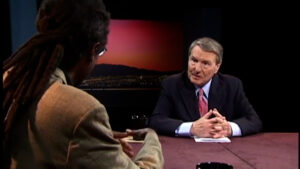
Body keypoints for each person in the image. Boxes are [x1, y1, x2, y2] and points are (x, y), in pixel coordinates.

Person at [3, 0, 164, 168]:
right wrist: (152, 139)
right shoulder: (82, 111)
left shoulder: (10, 82)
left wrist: (99, 141)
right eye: (100, 52)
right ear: (92, 51)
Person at [149, 37, 262, 138]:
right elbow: (156, 121)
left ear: (217, 67)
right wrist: (191, 128)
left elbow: (254, 120)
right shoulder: (172, 84)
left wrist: (229, 128)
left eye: (205, 63)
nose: (197, 69)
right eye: (194, 60)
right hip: (186, 150)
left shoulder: (232, 85)